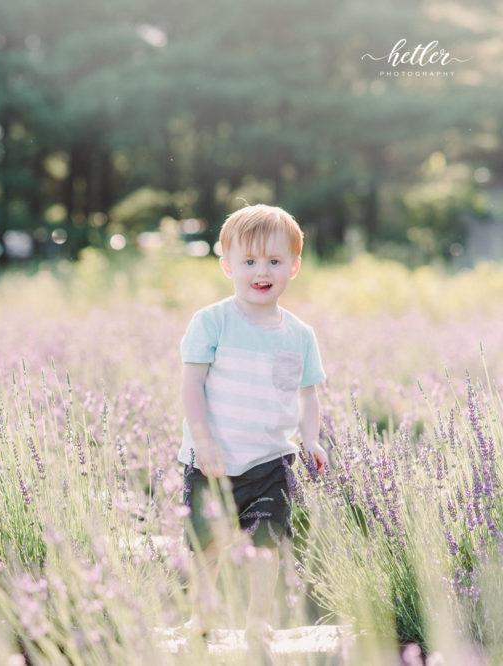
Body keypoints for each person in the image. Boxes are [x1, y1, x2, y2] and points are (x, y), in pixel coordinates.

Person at [178, 203, 329, 643]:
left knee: (267, 544)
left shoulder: (299, 334)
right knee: (205, 545)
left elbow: (308, 393)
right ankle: (202, 615)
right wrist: (202, 441)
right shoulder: (212, 322)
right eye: (249, 261)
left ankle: (257, 617)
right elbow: (191, 386)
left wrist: (312, 439)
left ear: (294, 267)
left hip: (270, 459)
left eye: (275, 261)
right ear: (227, 266)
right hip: (212, 459)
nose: (261, 271)